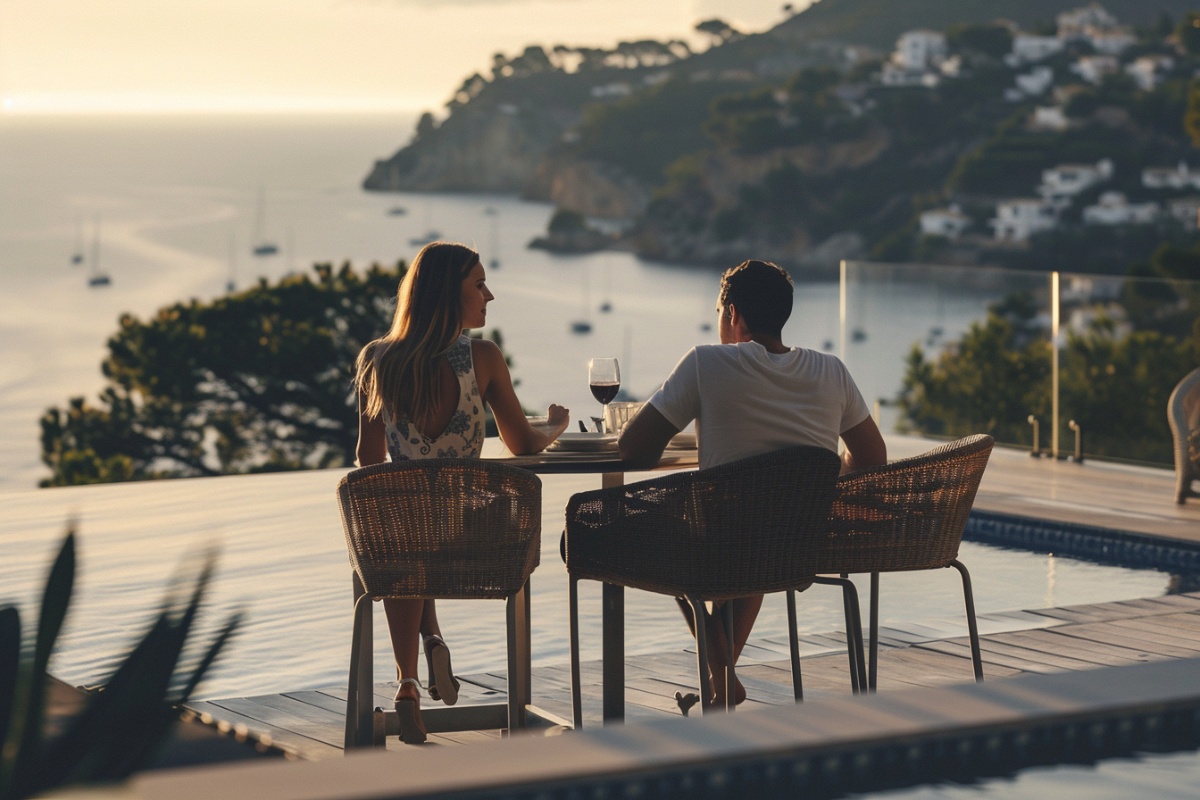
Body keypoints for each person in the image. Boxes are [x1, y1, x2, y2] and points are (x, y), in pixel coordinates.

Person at [617, 259, 886, 709]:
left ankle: (723, 674)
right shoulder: (831, 371)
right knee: (762, 527)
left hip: (721, 543)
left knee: (667, 535)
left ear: (733, 314)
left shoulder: (706, 363)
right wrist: (821, 470)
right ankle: (722, 684)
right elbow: (873, 458)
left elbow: (632, 448)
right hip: (795, 546)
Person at [354, 241, 569, 743]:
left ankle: (409, 682)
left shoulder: (377, 360)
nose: (489, 295)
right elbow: (523, 443)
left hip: (405, 544)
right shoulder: (483, 358)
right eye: (479, 284)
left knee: (408, 538)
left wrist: (411, 486)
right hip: (474, 542)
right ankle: (433, 643)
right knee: (427, 532)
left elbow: (368, 458)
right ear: (447, 294)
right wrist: (555, 427)